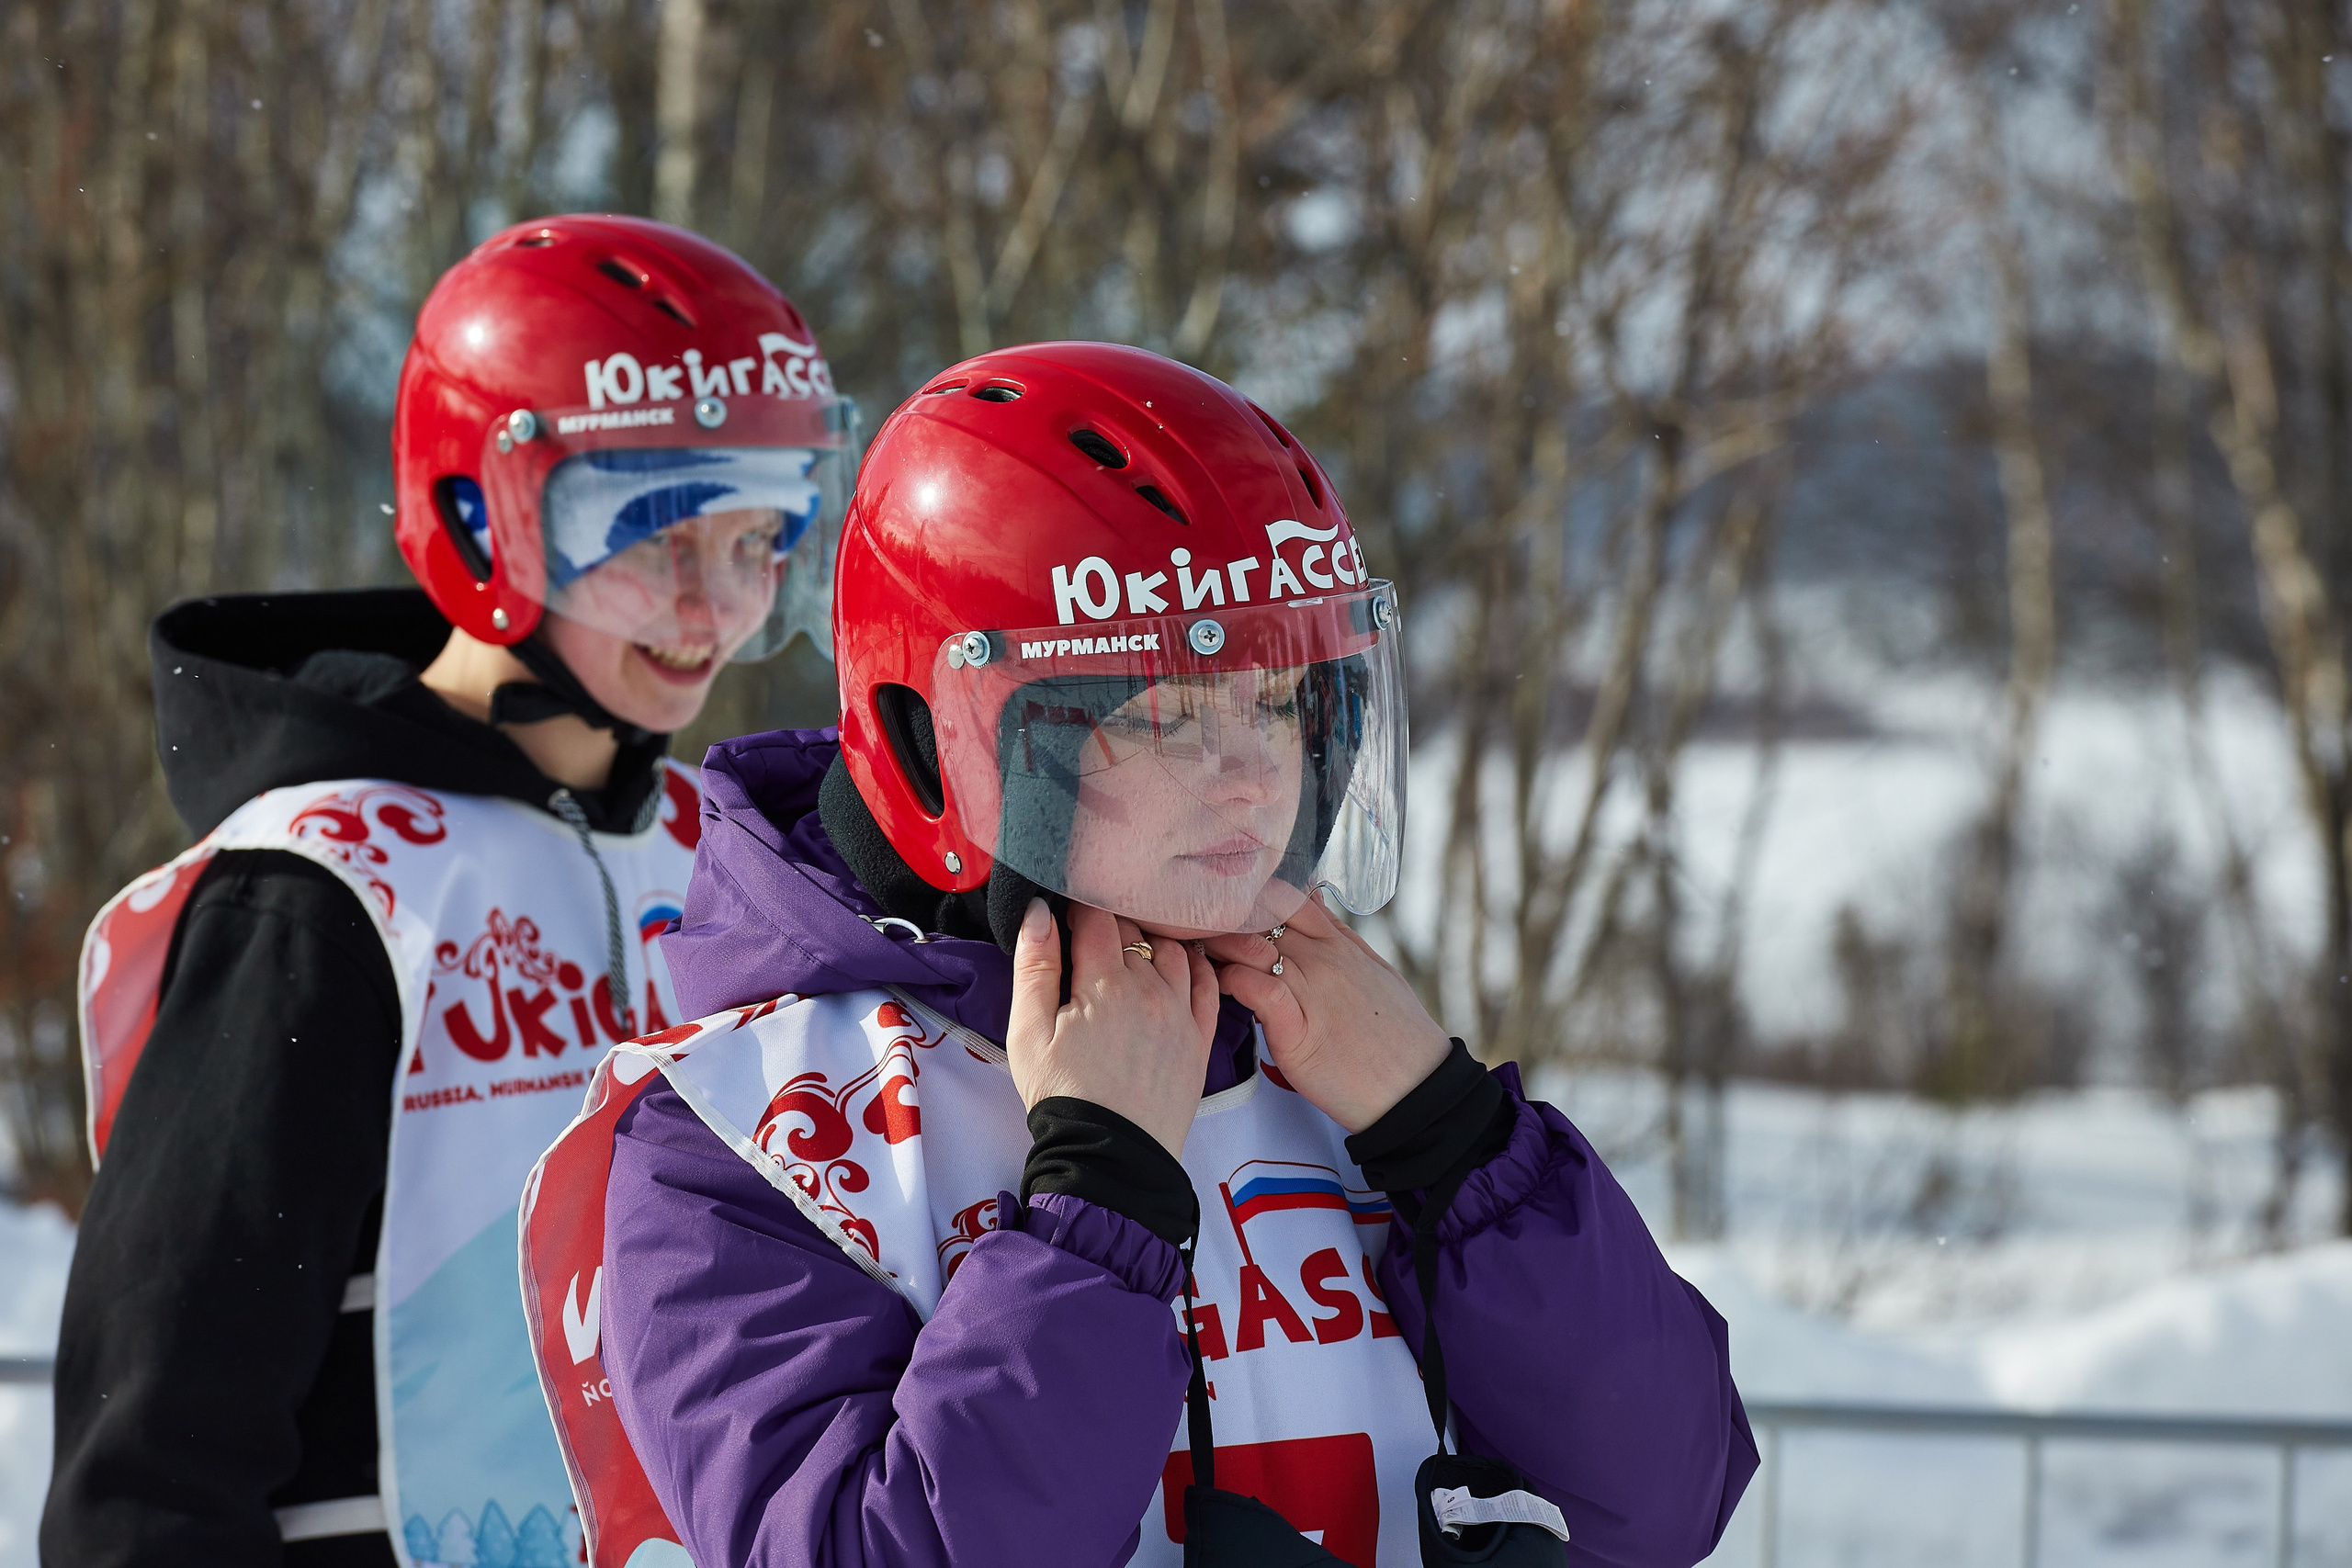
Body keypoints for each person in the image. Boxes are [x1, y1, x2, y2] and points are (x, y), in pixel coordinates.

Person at [519, 342, 1755, 1568]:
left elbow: (1658, 1504)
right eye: (1163, 714)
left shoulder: (1325, 1046)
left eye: (1282, 704)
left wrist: (1454, 1136)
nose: (1255, 778)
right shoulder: (742, 1138)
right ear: (935, 746)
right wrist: (1098, 1205)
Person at [45, 215, 856, 1568]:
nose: (712, 606)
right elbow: (155, 1456)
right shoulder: (320, 892)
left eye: (760, 538)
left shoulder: (722, 861)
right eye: (656, 534)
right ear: (485, 522)